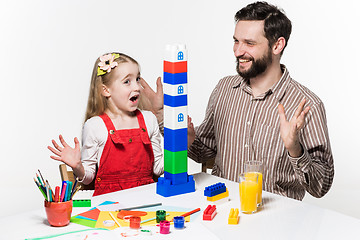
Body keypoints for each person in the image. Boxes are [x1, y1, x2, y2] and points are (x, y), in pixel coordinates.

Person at [140, 1, 334, 200]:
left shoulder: (307, 104)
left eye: (249, 43)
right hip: (221, 207)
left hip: (276, 218)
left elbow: (321, 187)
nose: (238, 51)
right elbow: (204, 152)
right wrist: (168, 119)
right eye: (236, 41)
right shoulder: (224, 89)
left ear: (277, 45)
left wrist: (295, 149)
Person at [48, 52, 164, 196]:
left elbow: (158, 169)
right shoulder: (95, 126)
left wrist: (179, 145)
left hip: (146, 198)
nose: (137, 87)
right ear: (106, 90)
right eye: (127, 81)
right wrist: (78, 166)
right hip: (109, 204)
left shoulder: (149, 119)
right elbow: (88, 177)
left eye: (137, 79)